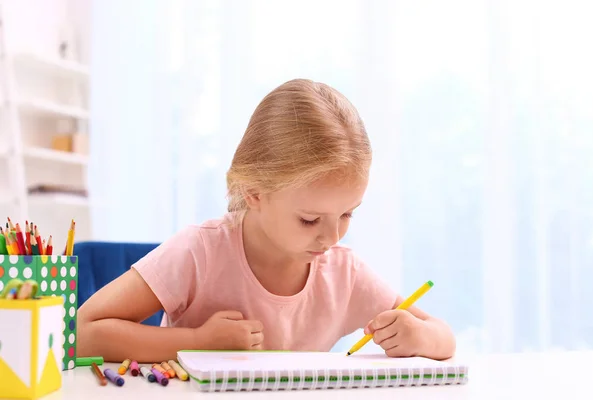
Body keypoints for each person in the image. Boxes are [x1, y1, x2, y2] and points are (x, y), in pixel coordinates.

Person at [78, 79, 456, 362]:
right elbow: (83, 332)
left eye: (347, 214)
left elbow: (444, 337)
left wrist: (418, 337)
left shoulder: (345, 273)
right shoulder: (201, 251)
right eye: (309, 219)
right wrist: (199, 342)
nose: (331, 237)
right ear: (253, 192)